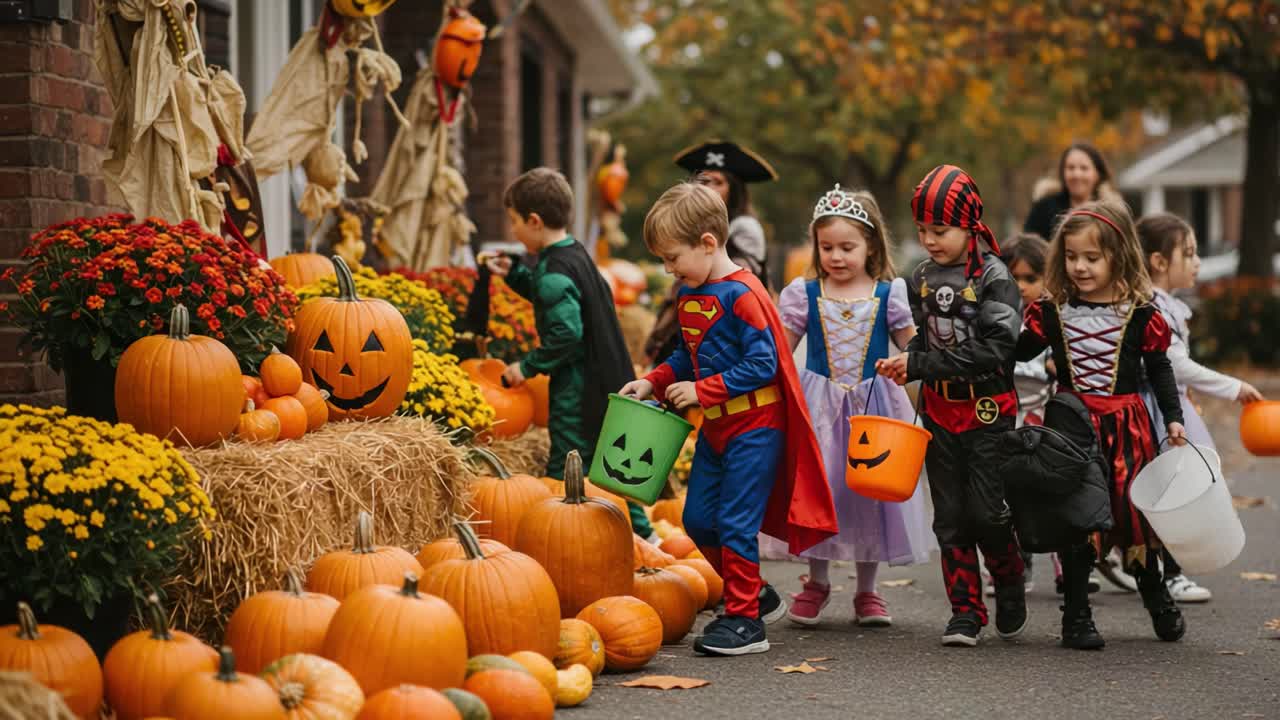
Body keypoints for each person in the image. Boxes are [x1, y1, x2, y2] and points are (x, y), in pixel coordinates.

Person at [620, 182, 837, 656]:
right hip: (717, 429)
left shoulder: (745, 295)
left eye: (672, 258)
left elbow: (763, 365)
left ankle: (744, 621)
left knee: (736, 522)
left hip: (755, 428)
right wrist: (654, 381)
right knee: (699, 520)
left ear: (707, 244)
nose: (668, 269)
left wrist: (702, 390)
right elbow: (687, 352)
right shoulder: (693, 292)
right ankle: (752, 592)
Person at [1016, 200, 1189, 649]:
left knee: (1134, 520)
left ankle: (1157, 597)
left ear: (1119, 255)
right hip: (1072, 426)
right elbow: (1016, 352)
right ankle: (1076, 616)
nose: (1079, 266)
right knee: (1077, 518)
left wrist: (1173, 418)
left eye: (1091, 258)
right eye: (1071, 256)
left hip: (1127, 429)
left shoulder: (1140, 314)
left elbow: (1160, 369)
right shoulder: (1052, 311)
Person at [875, 165, 1029, 648]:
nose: (929, 239)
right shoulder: (919, 276)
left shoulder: (995, 277)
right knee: (950, 516)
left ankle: (1007, 577)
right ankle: (965, 611)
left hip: (988, 411)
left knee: (988, 512)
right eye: (922, 230)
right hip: (940, 412)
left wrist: (921, 364)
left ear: (968, 225)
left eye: (939, 230)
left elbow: (995, 349)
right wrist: (909, 362)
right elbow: (924, 336)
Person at [774, 185, 932, 627]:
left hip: (874, 406)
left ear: (871, 245)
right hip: (820, 408)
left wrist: (911, 362)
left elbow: (913, 349)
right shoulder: (804, 294)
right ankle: (817, 581)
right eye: (827, 247)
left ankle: (867, 590)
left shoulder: (888, 293)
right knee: (821, 490)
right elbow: (781, 354)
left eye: (847, 247)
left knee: (871, 494)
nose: (837, 256)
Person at [486, 168, 652, 536]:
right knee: (610, 464)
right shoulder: (574, 254)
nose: (512, 231)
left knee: (567, 463)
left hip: (576, 387)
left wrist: (525, 367)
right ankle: (646, 536)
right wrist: (514, 273)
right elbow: (555, 298)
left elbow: (566, 333)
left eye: (513, 222)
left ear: (534, 220)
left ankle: (559, 536)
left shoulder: (552, 272)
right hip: (606, 373)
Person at [1136, 212, 1266, 603]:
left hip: (1171, 407)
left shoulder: (1168, 305)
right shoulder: (1154, 307)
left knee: (1174, 488)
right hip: (1157, 412)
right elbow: (1174, 363)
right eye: (1188, 253)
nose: (1197, 263)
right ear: (1159, 262)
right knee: (1174, 491)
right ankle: (1168, 573)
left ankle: (1157, 567)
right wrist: (1232, 387)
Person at [981, 234, 1104, 598]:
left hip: (1044, 421)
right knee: (1006, 495)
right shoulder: (995, 323)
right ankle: (1014, 566)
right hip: (1005, 420)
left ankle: (1066, 564)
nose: (1020, 286)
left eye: (1031, 278)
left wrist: (1056, 363)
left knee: (1051, 493)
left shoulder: (1051, 320)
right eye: (1012, 277)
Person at [1024, 142, 1119, 241]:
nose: (1076, 174)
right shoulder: (1044, 208)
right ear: (1062, 173)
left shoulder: (1111, 213)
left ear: (1097, 174)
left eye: (1084, 168)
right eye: (1070, 168)